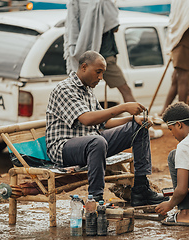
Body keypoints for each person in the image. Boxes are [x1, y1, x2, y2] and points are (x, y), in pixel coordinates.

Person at [46, 51, 168, 206]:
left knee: (138, 128)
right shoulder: (65, 89)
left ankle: (141, 190)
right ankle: (95, 199)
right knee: (97, 141)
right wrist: (123, 107)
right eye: (98, 72)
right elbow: (86, 119)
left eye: (103, 73)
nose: (101, 78)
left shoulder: (87, 90)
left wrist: (133, 119)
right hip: (63, 149)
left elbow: (104, 122)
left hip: (91, 145)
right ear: (84, 67)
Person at [64, 0, 162, 139]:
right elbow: (114, 25)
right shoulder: (101, 3)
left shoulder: (80, 6)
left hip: (100, 54)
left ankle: (139, 125)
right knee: (125, 90)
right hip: (105, 56)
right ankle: (143, 127)